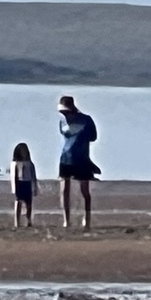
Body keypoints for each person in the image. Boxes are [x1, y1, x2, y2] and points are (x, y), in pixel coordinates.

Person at [56, 94, 98, 230]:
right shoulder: (62, 122)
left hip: (82, 158)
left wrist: (82, 137)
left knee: (84, 190)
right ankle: (66, 219)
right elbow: (64, 136)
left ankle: (87, 218)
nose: (64, 114)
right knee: (64, 190)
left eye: (66, 111)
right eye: (62, 112)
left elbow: (93, 137)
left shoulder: (85, 120)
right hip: (65, 157)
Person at [9, 141, 38, 228]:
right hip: (19, 183)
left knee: (29, 203)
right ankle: (17, 222)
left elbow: (33, 175)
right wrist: (14, 187)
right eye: (21, 151)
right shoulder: (15, 163)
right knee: (18, 202)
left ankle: (29, 221)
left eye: (24, 151)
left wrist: (35, 186)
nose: (23, 153)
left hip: (27, 183)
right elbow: (14, 176)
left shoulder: (30, 163)